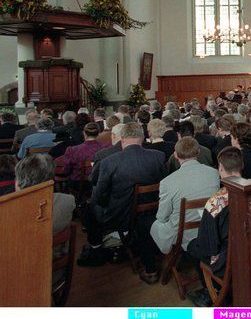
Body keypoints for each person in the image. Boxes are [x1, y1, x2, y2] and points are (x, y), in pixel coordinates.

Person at [78, 123, 166, 267]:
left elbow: (99, 197)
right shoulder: (158, 156)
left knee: (90, 208)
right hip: (151, 212)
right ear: (143, 137)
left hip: (120, 216)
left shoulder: (109, 162)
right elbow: (163, 187)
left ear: (122, 139)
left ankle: (97, 249)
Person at [135, 137, 220, 284]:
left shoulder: (168, 182)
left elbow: (161, 217)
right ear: (198, 152)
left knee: (144, 222)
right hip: (208, 226)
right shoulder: (213, 173)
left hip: (184, 232)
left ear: (175, 155)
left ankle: (150, 270)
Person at [185, 147, 242, 307]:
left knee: (192, 246)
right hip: (249, 249)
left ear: (221, 168)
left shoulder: (215, 202)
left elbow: (208, 247)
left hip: (227, 259)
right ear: (241, 166)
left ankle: (212, 290)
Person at [15, 154, 75, 234]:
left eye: (16, 177)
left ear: (20, 180)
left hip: (23, 242)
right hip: (53, 239)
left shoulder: (11, 208)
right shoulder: (68, 200)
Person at [62, 122, 107, 187]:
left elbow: (66, 170)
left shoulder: (73, 150)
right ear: (99, 134)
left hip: (78, 183)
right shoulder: (106, 148)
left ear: (84, 133)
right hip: (99, 182)